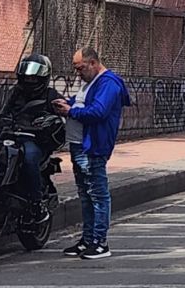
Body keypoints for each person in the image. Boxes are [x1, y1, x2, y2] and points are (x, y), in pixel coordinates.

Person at [53, 47, 130, 260]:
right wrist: (67, 104)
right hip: (79, 145)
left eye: (81, 68)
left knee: (97, 194)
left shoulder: (108, 83)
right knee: (85, 194)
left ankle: (100, 242)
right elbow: (81, 102)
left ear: (94, 63)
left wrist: (71, 111)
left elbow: (98, 111)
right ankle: (87, 239)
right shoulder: (90, 83)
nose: (79, 73)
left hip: (93, 146)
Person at [0, 54, 66, 224]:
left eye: (33, 77)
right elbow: (3, 112)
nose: (29, 80)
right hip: (11, 136)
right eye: (26, 76)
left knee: (29, 158)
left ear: (42, 77)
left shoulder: (50, 95)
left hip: (34, 140)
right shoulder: (16, 93)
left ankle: (37, 204)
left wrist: (48, 122)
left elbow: (64, 114)